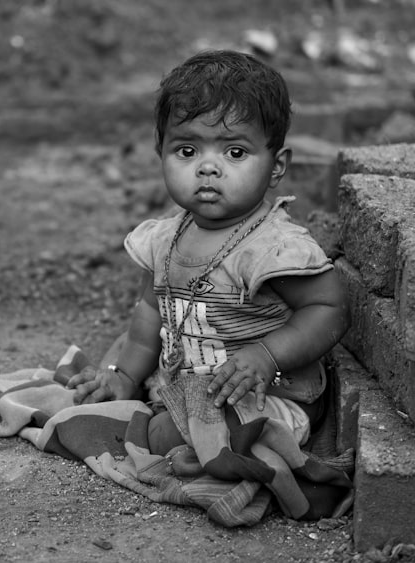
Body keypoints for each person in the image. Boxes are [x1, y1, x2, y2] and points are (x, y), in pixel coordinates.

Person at [67, 50, 349, 461]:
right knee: (137, 399)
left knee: (196, 432)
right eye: (187, 151)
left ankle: (151, 433)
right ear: (160, 151)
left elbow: (331, 308)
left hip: (266, 398)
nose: (208, 168)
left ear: (276, 166)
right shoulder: (165, 237)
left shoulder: (272, 249)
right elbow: (150, 314)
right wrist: (124, 374)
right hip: (184, 386)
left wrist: (267, 355)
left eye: (235, 153)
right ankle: (156, 418)